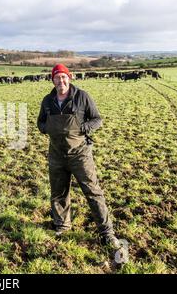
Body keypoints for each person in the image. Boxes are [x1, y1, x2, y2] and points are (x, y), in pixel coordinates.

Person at [37, 64, 121, 249]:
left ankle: (107, 233)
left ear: (70, 77)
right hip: (57, 154)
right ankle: (62, 225)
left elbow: (97, 119)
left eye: (64, 77)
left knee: (93, 192)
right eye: (57, 78)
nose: (61, 81)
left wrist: (84, 128)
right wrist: (46, 128)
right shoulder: (47, 100)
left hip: (80, 154)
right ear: (52, 80)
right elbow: (40, 122)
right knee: (59, 192)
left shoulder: (82, 96)